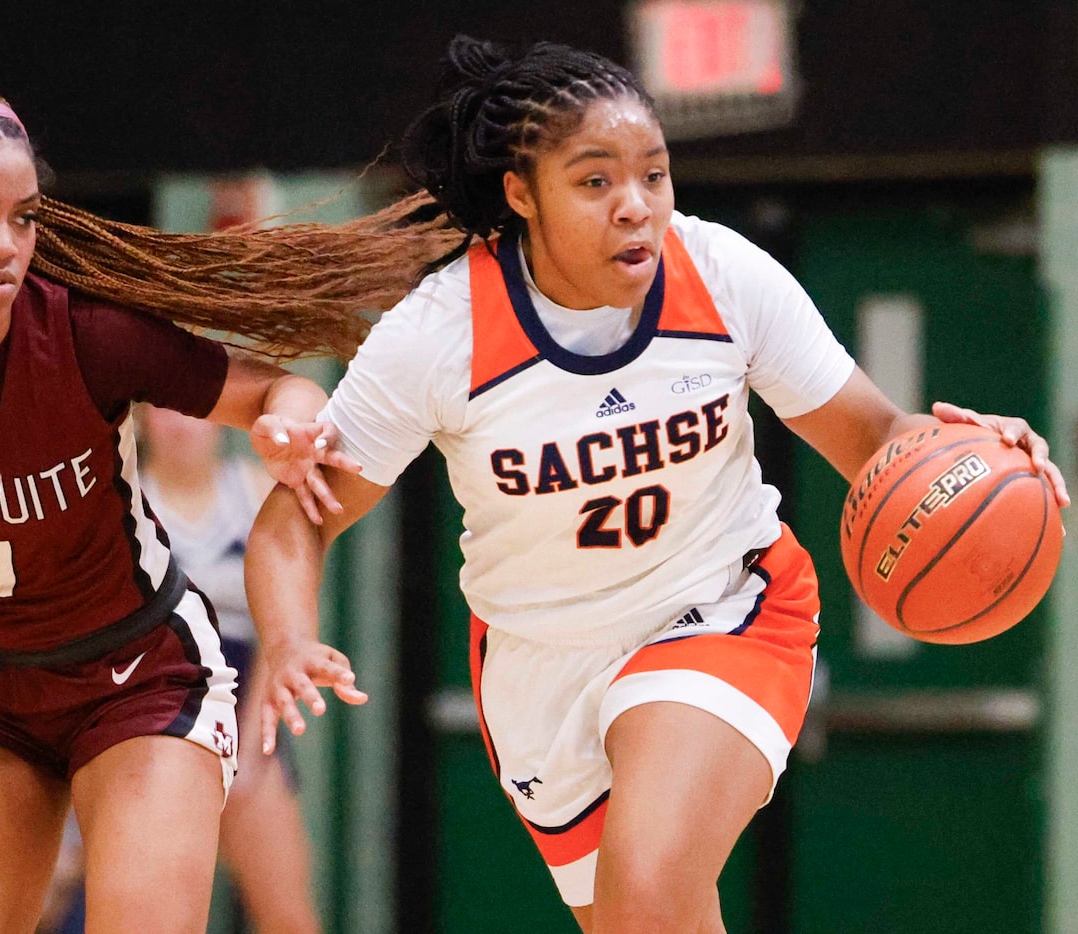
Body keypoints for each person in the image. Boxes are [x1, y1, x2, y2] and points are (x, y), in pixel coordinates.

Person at [244, 36, 1072, 934]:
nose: (636, 206)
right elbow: (300, 517)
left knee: (650, 877)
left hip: (721, 608)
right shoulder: (442, 333)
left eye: (655, 175)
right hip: (540, 665)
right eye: (596, 182)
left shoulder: (722, 276)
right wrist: (287, 637)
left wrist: (959, 448)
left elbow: (875, 437)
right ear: (521, 194)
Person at [0, 86, 456, 933]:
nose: (4, 244)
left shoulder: (86, 331)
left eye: (23, 218)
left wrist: (284, 424)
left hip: (138, 677)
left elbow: (273, 388)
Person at [137, 404, 320, 934]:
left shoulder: (257, 491)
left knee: (289, 917)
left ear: (219, 417)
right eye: (162, 412)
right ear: (141, 421)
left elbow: (283, 628)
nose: (179, 424)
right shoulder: (126, 502)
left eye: (189, 411)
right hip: (155, 721)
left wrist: (249, 747)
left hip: (247, 713)